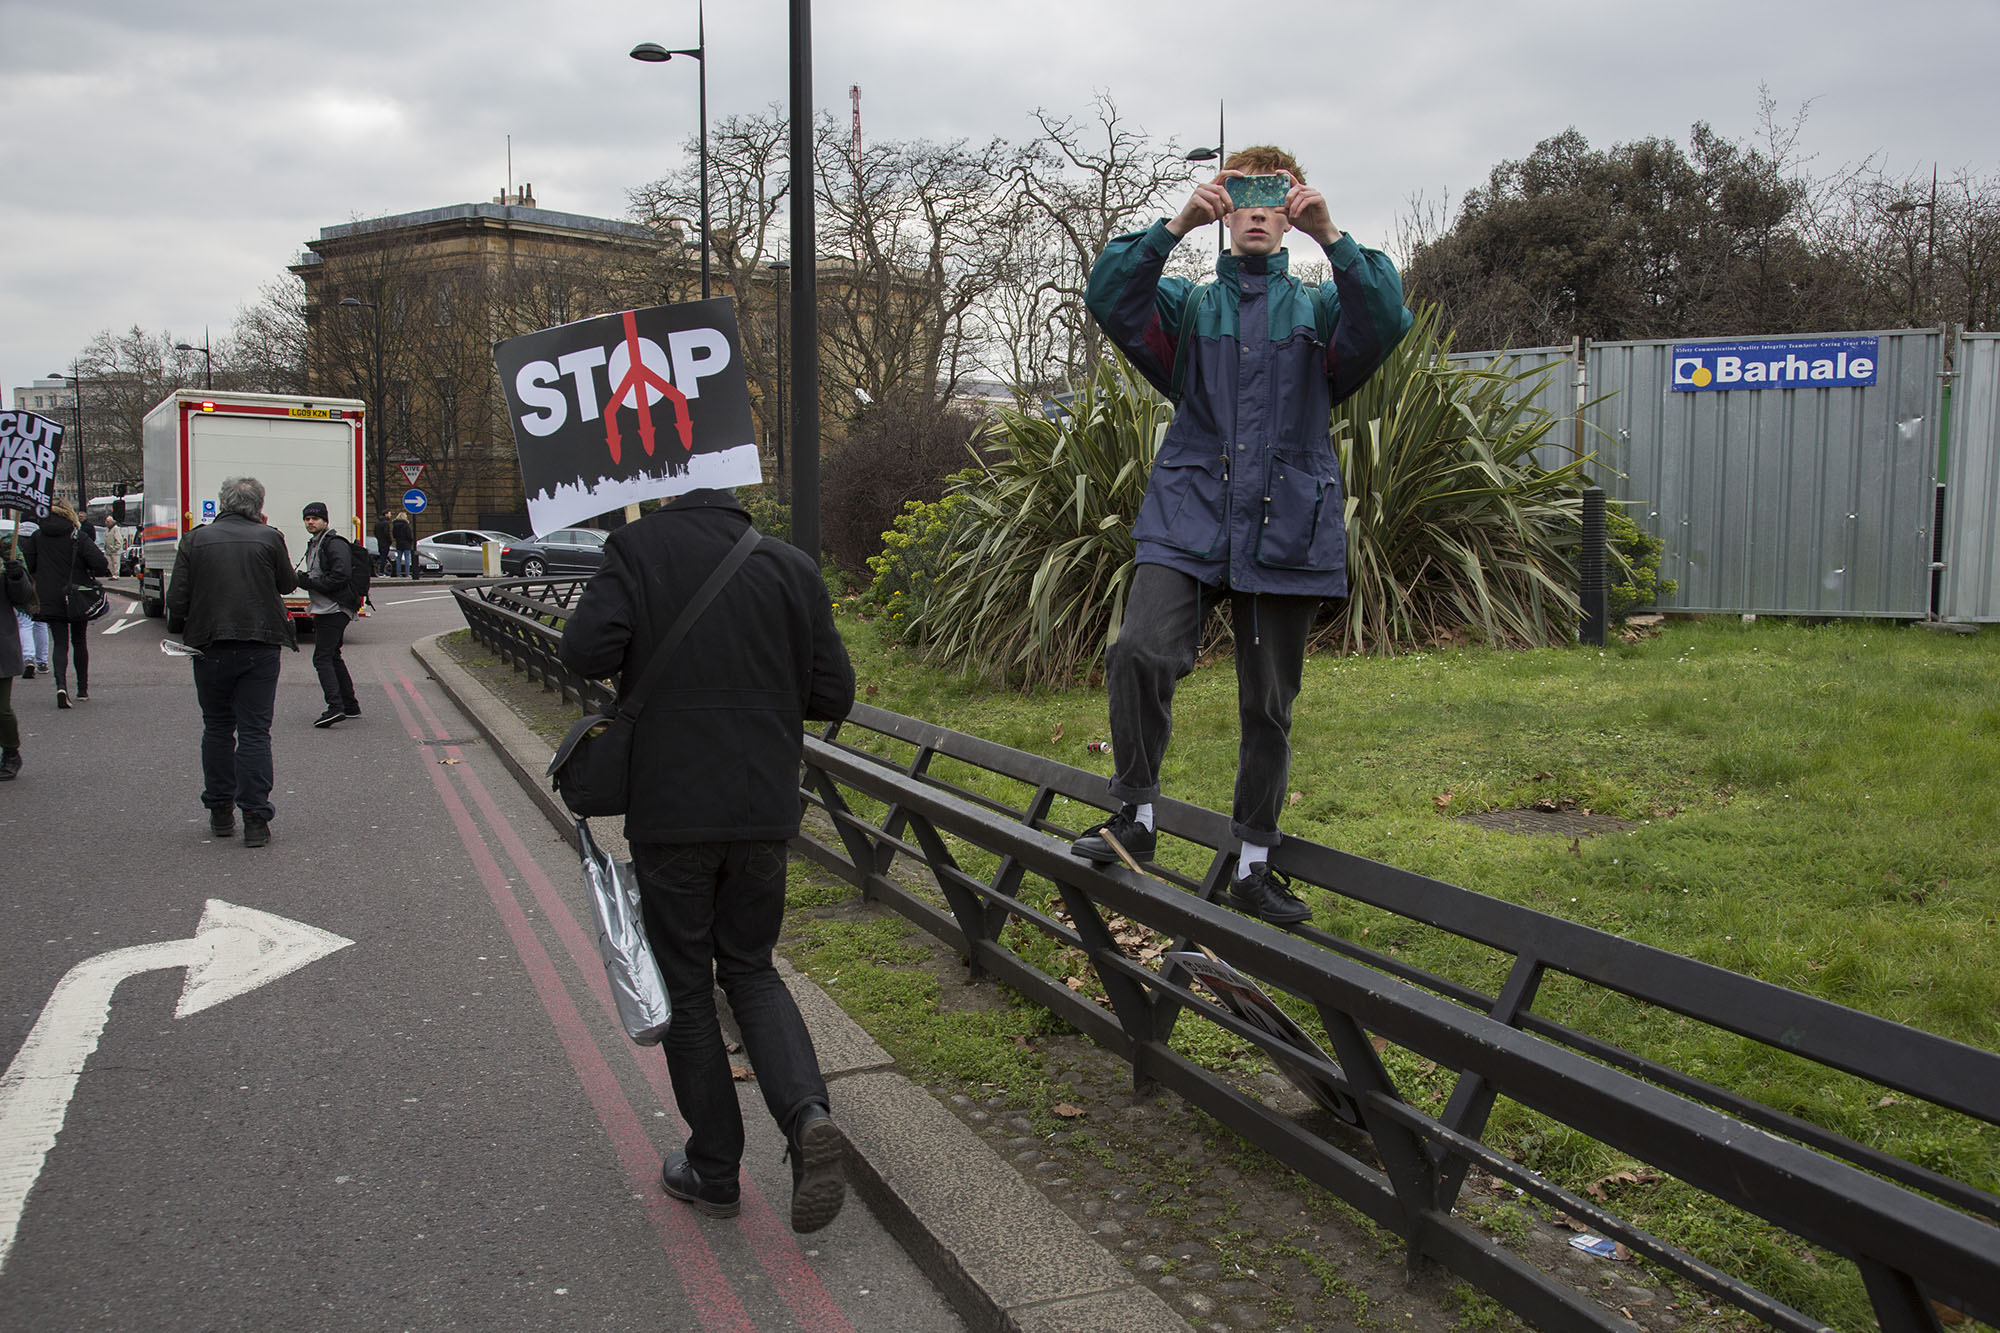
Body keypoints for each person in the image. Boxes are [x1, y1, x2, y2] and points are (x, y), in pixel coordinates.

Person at [1073, 146, 1412, 925]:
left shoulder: (1321, 312)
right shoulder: (1189, 310)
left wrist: (1333, 237)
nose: (1257, 209)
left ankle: (1254, 864)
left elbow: (1386, 316)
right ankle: (1135, 816)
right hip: (1190, 513)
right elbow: (1110, 293)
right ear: (1225, 212)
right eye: (1241, 194)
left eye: (1275, 195)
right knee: (1138, 649)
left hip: (1287, 521)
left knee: (1268, 704)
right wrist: (1175, 223)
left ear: (1291, 207)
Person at [559, 488, 856, 1234]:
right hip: (762, 811)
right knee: (750, 966)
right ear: (736, 489)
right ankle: (808, 1114)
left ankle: (715, 1166)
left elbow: (582, 653)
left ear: (663, 483)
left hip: (672, 812)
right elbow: (833, 693)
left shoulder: (635, 551)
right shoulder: (790, 565)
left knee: (688, 984)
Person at [166, 476, 298, 848]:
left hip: (210, 645)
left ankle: (221, 811)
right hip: (260, 643)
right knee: (255, 732)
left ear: (222, 503)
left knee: (218, 729)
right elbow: (287, 585)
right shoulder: (270, 537)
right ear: (258, 505)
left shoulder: (194, 539)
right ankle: (256, 818)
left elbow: (177, 601)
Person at [24, 499, 110, 709]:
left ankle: (61, 687)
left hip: (50, 596)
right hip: (76, 595)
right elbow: (100, 563)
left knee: (60, 643)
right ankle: (82, 689)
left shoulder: (38, 536)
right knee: (79, 641)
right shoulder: (77, 536)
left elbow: (29, 564)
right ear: (69, 513)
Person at [296, 502, 361, 727]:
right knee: (332, 654)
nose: (310, 522)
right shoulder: (315, 544)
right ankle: (350, 705)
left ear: (325, 520)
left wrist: (312, 583)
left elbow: (340, 575)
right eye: (307, 519)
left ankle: (335, 708)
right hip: (325, 607)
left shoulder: (333, 544)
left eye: (315, 518)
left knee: (321, 657)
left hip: (335, 607)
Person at [1, 538, 33, 779]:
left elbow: (24, 597)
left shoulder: (6, 555)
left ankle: (11, 752)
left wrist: (16, 575)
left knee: (1, 710)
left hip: (1, 643)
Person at [391, 512, 416, 579]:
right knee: (407, 558)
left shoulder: (395, 525)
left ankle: (398, 573)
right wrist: (411, 540)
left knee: (398, 558)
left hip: (399, 543)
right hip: (406, 543)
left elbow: (394, 535)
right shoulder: (406, 525)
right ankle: (407, 573)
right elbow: (409, 535)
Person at [374, 510, 395, 576]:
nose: (390, 515)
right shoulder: (386, 523)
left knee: (381, 557)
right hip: (385, 542)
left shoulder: (377, 522)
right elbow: (387, 533)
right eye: (389, 514)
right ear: (386, 514)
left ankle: (380, 571)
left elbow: (375, 532)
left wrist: (378, 538)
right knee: (384, 557)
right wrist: (389, 541)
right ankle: (381, 572)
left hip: (379, 542)